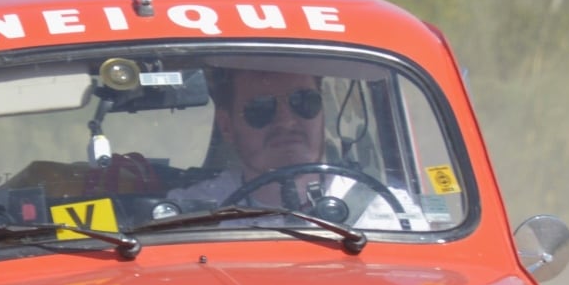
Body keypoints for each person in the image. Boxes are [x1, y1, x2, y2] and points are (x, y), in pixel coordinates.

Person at [167, 67, 425, 230]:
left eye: (303, 102)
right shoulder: (193, 213)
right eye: (261, 109)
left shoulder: (386, 210)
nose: (287, 121)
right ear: (227, 126)